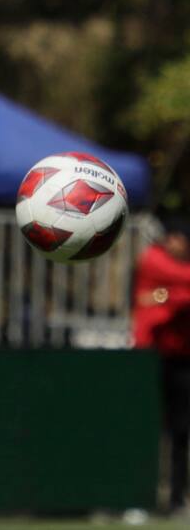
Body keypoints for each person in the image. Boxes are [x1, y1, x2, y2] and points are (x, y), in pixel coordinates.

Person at [132, 216, 190, 513]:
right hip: (150, 356)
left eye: (179, 239)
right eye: (171, 237)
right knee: (146, 429)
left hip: (181, 358)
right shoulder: (154, 260)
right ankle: (141, 496)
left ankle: (176, 498)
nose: (173, 244)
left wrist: (169, 296)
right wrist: (175, 296)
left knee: (180, 431)